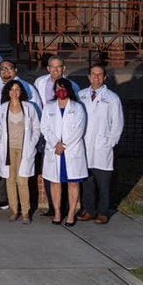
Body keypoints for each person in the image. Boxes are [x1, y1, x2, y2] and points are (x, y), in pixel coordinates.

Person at [79, 65, 124, 224]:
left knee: (103, 182)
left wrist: (110, 143)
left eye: (99, 75)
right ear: (89, 76)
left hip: (102, 147)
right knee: (87, 182)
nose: (96, 77)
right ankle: (89, 210)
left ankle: (103, 212)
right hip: (84, 145)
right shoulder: (81, 95)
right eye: (93, 74)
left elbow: (117, 124)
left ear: (104, 78)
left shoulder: (112, 98)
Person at [41, 77, 88, 226]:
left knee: (73, 183)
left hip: (71, 150)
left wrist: (64, 145)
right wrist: (56, 144)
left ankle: (70, 214)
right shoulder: (48, 107)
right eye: (57, 88)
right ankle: (57, 213)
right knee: (55, 182)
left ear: (68, 90)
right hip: (54, 150)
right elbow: (44, 128)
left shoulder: (77, 107)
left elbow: (79, 130)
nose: (60, 91)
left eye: (63, 88)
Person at [0, 79, 41, 224]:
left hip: (24, 148)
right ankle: (14, 210)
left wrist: (32, 142)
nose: (14, 92)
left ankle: (25, 212)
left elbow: (36, 128)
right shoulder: (3, 108)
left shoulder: (29, 107)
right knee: (10, 180)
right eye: (11, 89)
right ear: (7, 92)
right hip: (8, 148)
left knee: (22, 180)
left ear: (21, 91)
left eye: (17, 89)